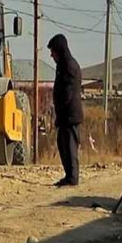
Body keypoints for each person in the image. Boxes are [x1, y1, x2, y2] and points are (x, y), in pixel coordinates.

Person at [48, 33, 84, 186]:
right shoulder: (63, 65)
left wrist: (61, 108)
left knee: (69, 146)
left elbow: (68, 93)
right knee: (63, 144)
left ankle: (72, 177)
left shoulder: (69, 66)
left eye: (53, 51)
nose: (51, 55)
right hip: (64, 115)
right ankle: (69, 175)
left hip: (70, 114)